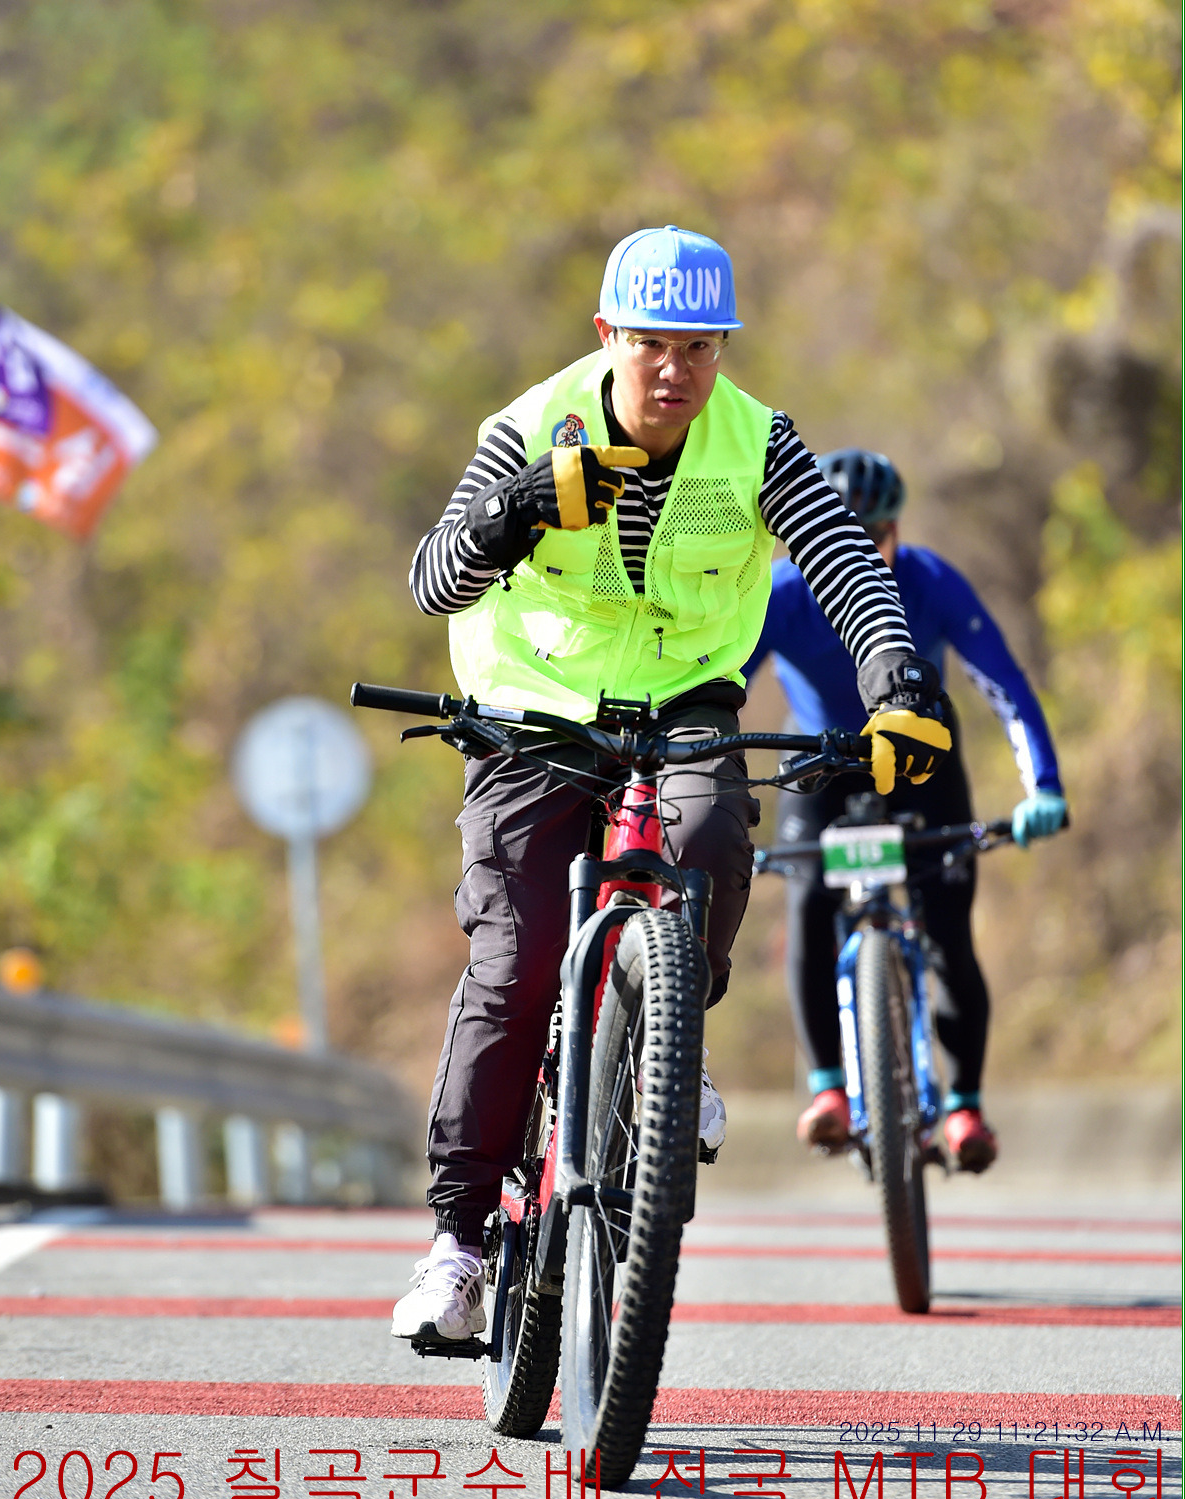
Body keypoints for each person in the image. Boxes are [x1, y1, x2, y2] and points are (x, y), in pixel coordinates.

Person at [393, 231, 951, 1344]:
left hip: (682, 701)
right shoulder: (528, 426)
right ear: (608, 335)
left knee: (708, 834)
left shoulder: (757, 439)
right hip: (532, 711)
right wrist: (520, 509)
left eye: (700, 347)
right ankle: (457, 1246)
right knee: (516, 965)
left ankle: (666, 1045)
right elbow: (432, 578)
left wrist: (896, 687)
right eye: (652, 343)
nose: (675, 370)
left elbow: (844, 562)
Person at [745, 447, 1067, 1174]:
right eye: (841, 536)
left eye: (875, 536)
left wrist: (1043, 786)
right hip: (822, 762)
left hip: (923, 759)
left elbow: (1005, 683)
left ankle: (965, 1106)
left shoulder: (930, 581)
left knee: (949, 930)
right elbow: (721, 688)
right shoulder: (783, 593)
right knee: (809, 903)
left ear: (896, 530)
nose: (861, 552)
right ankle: (829, 1090)